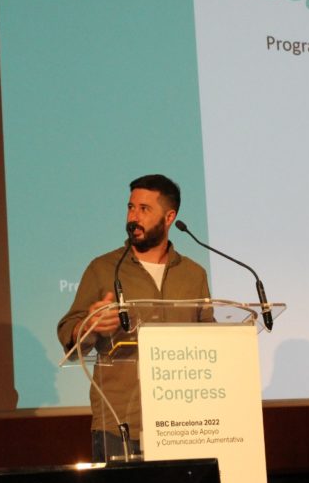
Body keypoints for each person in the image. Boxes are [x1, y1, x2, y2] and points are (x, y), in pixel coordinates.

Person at [57, 174, 212, 462]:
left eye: (144, 209)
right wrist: (89, 325)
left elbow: (209, 343)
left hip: (183, 422)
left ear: (169, 217)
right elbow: (69, 333)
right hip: (119, 423)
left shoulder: (193, 274)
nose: (133, 217)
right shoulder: (103, 269)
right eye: (131, 207)